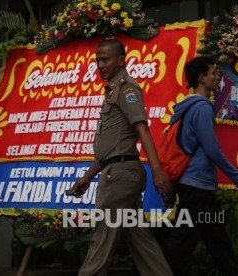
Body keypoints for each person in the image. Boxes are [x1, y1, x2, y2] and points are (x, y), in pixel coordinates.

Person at [69, 38, 173, 276]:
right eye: (97, 60)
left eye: (105, 59)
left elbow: (142, 129)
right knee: (140, 241)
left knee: (101, 238)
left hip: (119, 176)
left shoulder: (126, 89)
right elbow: (114, 147)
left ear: (121, 60)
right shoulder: (114, 90)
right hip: (120, 171)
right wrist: (86, 178)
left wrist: (157, 171)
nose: (100, 64)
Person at [160, 56, 238, 276]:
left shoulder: (187, 108)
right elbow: (212, 150)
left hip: (200, 189)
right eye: (213, 73)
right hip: (197, 189)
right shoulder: (201, 108)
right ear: (202, 78)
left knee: (217, 240)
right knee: (181, 244)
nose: (217, 77)